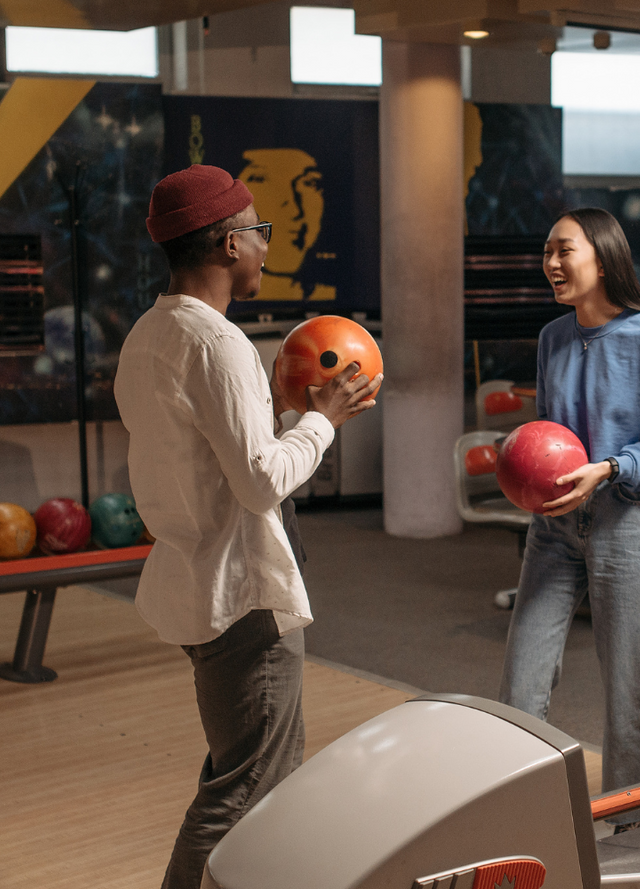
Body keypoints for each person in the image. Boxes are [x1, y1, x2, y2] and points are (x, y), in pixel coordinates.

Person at [115, 164, 379, 889]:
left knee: (241, 772)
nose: (266, 247)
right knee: (246, 791)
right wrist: (323, 421)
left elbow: (222, 459)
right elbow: (261, 481)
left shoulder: (148, 335)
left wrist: (293, 417)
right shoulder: (219, 343)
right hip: (243, 598)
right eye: (259, 233)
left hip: (198, 583)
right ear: (230, 244)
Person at [498, 207, 640, 833]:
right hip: (553, 530)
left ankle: (631, 835)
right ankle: (512, 821)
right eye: (547, 252)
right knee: (519, 686)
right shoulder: (553, 338)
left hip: (626, 526)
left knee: (625, 695)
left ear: (604, 254)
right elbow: (550, 436)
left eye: (565, 250)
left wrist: (609, 468)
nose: (551, 263)